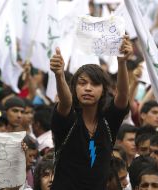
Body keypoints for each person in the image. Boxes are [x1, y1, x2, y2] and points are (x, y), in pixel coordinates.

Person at [50, 35, 132, 190]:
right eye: (82, 83)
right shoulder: (67, 120)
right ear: (74, 88)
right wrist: (59, 75)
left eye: (95, 84)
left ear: (103, 91)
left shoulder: (108, 122)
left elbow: (122, 96)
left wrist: (122, 62)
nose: (88, 88)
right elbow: (66, 102)